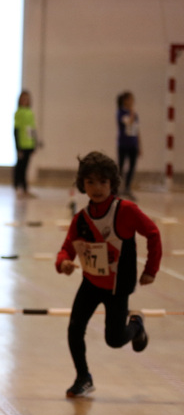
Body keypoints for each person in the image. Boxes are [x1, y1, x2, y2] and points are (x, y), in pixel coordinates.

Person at [56, 152, 161, 398]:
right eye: (90, 182)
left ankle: (136, 323)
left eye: (103, 182)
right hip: (91, 282)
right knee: (74, 329)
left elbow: (153, 233)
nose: (97, 188)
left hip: (117, 286)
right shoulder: (81, 218)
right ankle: (83, 377)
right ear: (82, 184)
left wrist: (150, 270)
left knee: (113, 340)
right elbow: (66, 248)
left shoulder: (126, 210)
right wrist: (63, 264)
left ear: (112, 183)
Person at [117, 91, 140, 200]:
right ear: (125, 100)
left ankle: (127, 188)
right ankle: (117, 188)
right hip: (123, 144)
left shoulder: (134, 114)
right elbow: (129, 122)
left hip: (133, 144)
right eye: (130, 99)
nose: (132, 102)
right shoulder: (120, 112)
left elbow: (136, 130)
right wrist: (131, 112)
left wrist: (139, 145)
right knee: (121, 167)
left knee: (132, 166)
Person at [14, 90, 37, 197]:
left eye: (26, 99)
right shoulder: (18, 113)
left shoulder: (30, 113)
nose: (25, 101)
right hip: (21, 144)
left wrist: (34, 144)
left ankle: (24, 189)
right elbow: (16, 130)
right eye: (23, 99)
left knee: (25, 167)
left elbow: (33, 130)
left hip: (29, 144)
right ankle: (20, 188)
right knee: (20, 167)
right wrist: (18, 147)